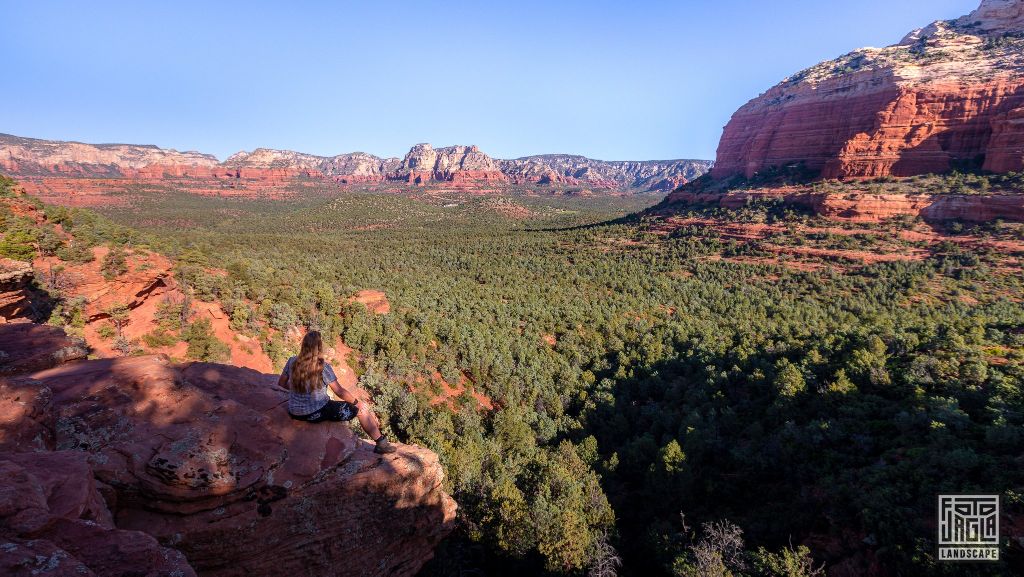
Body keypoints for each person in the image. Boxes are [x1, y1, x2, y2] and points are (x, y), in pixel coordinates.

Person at [278, 330, 396, 454]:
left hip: (294, 412)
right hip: (317, 411)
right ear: (319, 347)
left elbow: (281, 384)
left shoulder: (292, 361)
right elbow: (339, 391)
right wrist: (357, 403)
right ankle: (381, 443)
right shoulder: (322, 367)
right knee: (362, 411)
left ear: (303, 345)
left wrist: (299, 390)